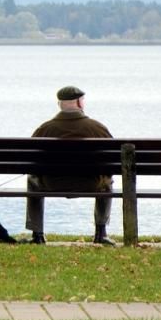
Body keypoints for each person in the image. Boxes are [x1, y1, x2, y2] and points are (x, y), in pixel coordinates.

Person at [26, 85, 116, 246]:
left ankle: (37, 234)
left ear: (59, 104)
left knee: (33, 179)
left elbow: (30, 160)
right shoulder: (97, 128)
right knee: (106, 181)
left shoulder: (45, 129)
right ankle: (101, 233)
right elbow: (113, 160)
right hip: (91, 184)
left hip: (51, 184)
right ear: (80, 103)